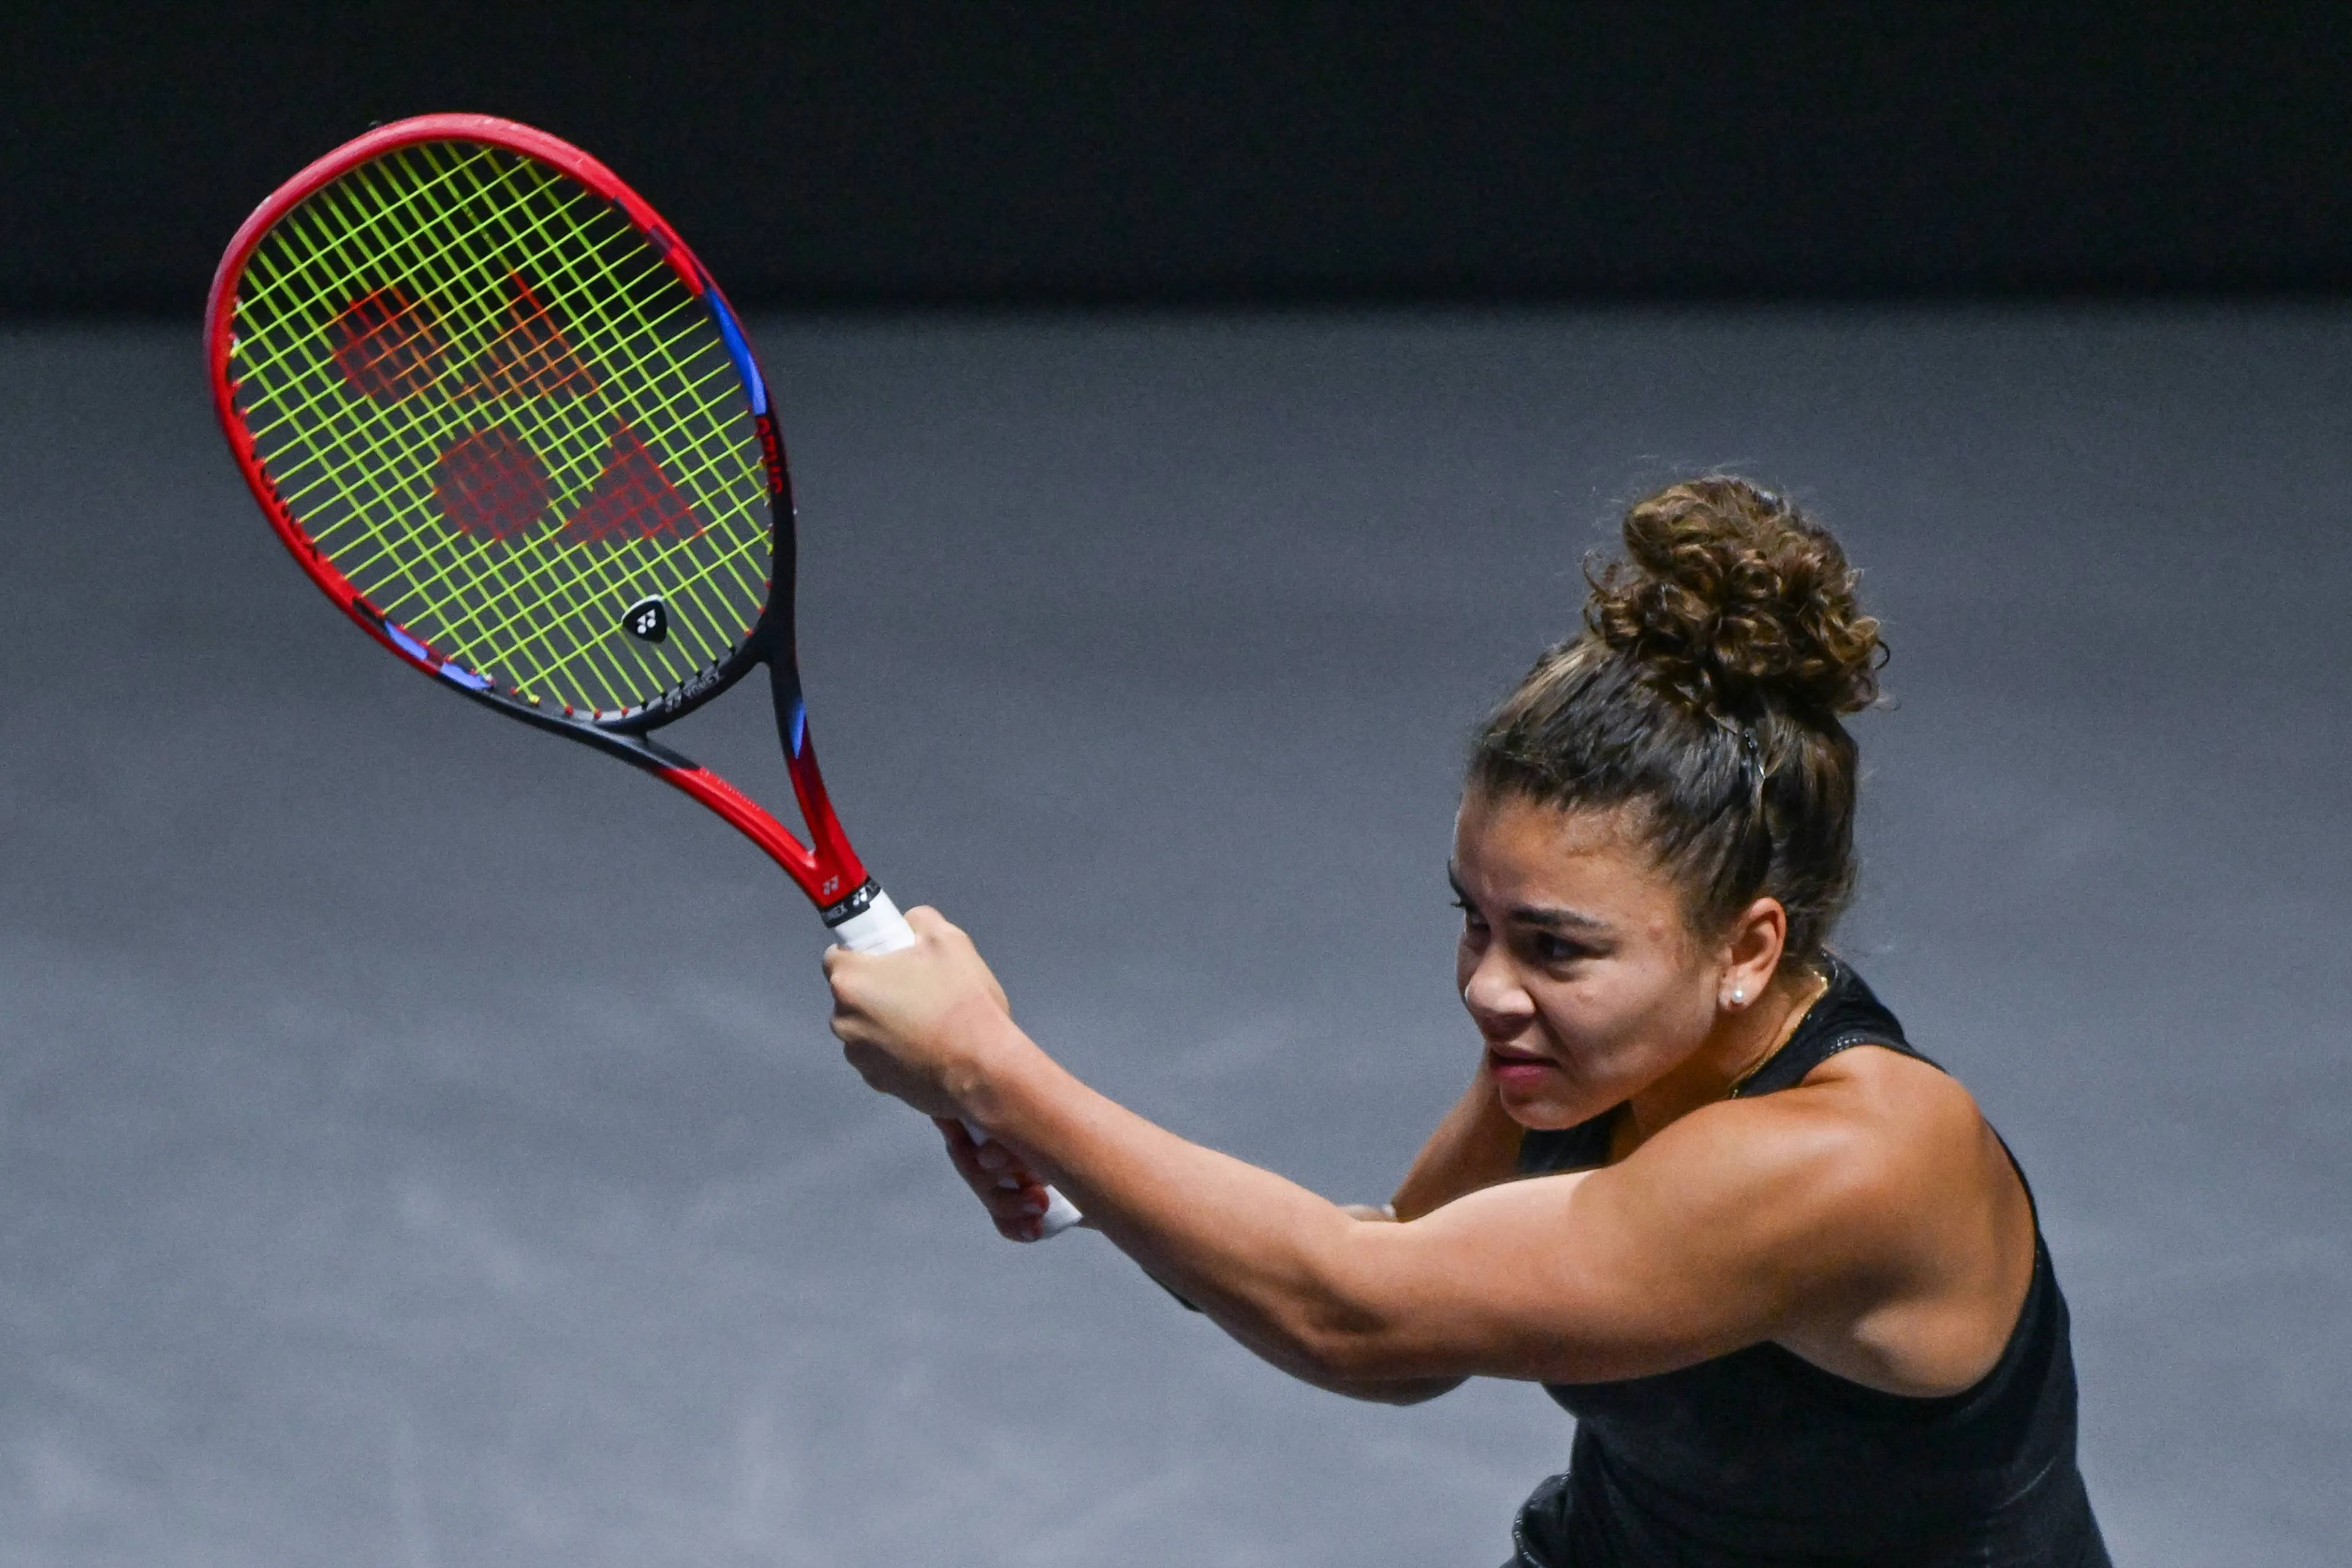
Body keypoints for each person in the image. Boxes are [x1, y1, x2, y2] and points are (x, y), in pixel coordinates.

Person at [825, 477, 2109, 1566]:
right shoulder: (1590, 1045)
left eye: (1554, 943)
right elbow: (1400, 1259)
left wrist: (989, 1067)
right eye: (1476, 919)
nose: (1490, 986)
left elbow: (1358, 1316)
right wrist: (1091, 1185)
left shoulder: (1857, 1160)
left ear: (1748, 946)